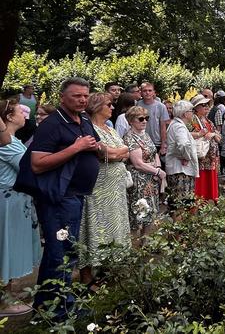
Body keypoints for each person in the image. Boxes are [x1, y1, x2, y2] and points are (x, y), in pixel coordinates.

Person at [17, 77, 101, 314]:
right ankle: (61, 310)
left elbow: (92, 143)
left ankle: (45, 306)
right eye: (77, 96)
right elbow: (37, 163)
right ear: (62, 97)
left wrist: (95, 147)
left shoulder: (83, 118)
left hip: (76, 194)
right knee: (62, 253)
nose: (82, 99)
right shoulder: (52, 124)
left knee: (60, 251)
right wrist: (76, 148)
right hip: (59, 197)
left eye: (85, 95)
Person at [78, 92, 131, 288]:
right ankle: (88, 275)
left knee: (114, 225)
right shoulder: (88, 128)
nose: (112, 108)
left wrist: (117, 153)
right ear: (97, 106)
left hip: (115, 190)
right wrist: (117, 153)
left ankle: (109, 268)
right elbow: (104, 153)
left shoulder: (109, 128)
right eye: (109, 104)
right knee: (95, 226)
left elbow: (125, 151)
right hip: (99, 188)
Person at [0, 99, 41, 316]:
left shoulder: (12, 139)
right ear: (8, 117)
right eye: (19, 111)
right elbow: (26, 166)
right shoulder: (4, 142)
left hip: (18, 201)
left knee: (12, 248)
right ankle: (4, 302)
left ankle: (8, 293)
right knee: (7, 249)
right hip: (8, 202)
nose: (25, 114)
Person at [123, 106, 165, 235]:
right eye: (140, 119)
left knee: (150, 211)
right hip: (139, 181)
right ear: (131, 121)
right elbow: (138, 164)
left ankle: (145, 243)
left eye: (146, 118)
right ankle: (136, 244)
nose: (144, 121)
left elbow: (154, 153)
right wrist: (157, 172)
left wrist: (157, 167)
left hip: (150, 179)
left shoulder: (145, 134)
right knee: (139, 212)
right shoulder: (130, 138)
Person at [164, 101, 199, 213]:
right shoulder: (179, 127)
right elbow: (183, 144)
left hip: (177, 168)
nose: (193, 113)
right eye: (191, 111)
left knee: (178, 202)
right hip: (181, 170)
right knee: (181, 203)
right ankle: (181, 229)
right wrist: (186, 157)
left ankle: (179, 228)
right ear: (185, 114)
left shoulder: (175, 124)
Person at [189, 95, 221, 202]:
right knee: (202, 179)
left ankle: (208, 199)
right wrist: (200, 134)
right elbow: (187, 134)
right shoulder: (193, 119)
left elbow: (218, 136)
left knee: (210, 176)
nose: (206, 107)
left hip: (210, 156)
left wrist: (212, 134)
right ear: (196, 107)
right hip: (202, 156)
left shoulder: (208, 120)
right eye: (203, 105)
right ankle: (200, 200)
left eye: (207, 104)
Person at [137, 82, 169, 158]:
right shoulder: (137, 105)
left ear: (154, 92)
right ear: (141, 92)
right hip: (141, 142)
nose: (147, 93)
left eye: (150, 90)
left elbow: (163, 127)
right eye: (145, 91)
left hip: (156, 142)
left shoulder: (161, 106)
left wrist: (163, 145)